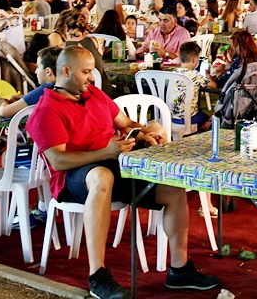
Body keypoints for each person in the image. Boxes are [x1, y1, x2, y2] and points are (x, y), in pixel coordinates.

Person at [27, 46, 219, 297]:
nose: (91, 78)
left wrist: (144, 133)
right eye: (85, 72)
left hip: (113, 164)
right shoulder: (47, 109)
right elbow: (57, 161)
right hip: (73, 177)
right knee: (100, 175)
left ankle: (179, 269)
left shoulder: (94, 94)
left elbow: (126, 124)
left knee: (172, 187)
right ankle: (98, 275)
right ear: (66, 71)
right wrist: (104, 153)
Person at [59, 8, 115, 97]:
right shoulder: (95, 41)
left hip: (81, 94)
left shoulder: (62, 48)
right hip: (104, 91)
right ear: (85, 27)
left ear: (66, 28)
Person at [0, 46, 62, 118]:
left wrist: (6, 102)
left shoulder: (45, 90)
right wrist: (25, 98)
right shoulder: (64, 89)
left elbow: (4, 112)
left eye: (38, 67)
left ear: (48, 71)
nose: (36, 71)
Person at [166, 41, 211, 137]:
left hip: (170, 117)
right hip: (190, 118)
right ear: (195, 59)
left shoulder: (172, 73)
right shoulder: (196, 75)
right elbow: (214, 85)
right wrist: (209, 74)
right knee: (210, 119)